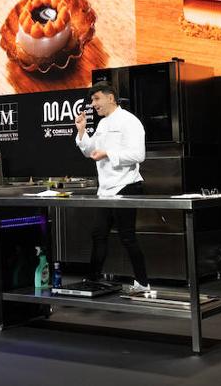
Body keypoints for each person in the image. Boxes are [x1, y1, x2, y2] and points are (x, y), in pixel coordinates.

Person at [74, 83, 151, 292]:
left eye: (96, 99)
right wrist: (82, 132)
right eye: (92, 100)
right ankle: (93, 280)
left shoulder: (130, 122)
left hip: (127, 185)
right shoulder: (102, 124)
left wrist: (108, 154)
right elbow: (90, 151)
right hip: (106, 189)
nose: (93, 104)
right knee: (98, 234)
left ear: (110, 98)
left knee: (127, 236)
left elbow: (138, 156)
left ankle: (143, 283)